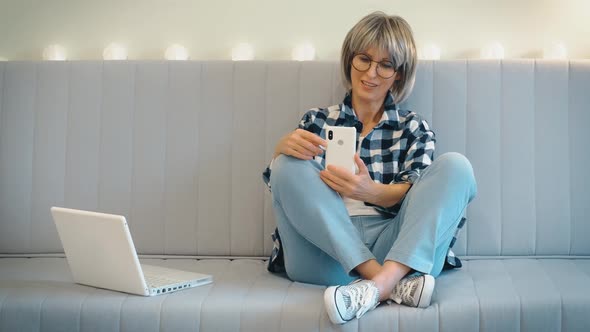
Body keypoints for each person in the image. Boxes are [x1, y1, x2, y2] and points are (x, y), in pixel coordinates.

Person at [262, 11, 477, 325]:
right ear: (351, 60)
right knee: (286, 165)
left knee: (457, 167)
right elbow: (289, 193)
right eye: (364, 59)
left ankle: (377, 284)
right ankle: (388, 286)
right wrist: (281, 152)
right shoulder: (316, 121)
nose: (371, 73)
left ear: (399, 74)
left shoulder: (413, 128)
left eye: (386, 64)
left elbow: (424, 199)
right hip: (325, 255)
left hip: (397, 250)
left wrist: (372, 192)